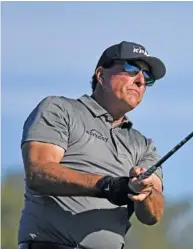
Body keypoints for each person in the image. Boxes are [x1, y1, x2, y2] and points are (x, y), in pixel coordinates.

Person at [18, 41, 166, 249]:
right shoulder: (59, 109)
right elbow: (39, 172)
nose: (141, 80)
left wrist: (144, 192)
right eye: (131, 68)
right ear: (100, 75)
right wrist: (108, 186)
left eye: (147, 77)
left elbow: (153, 214)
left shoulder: (143, 145)